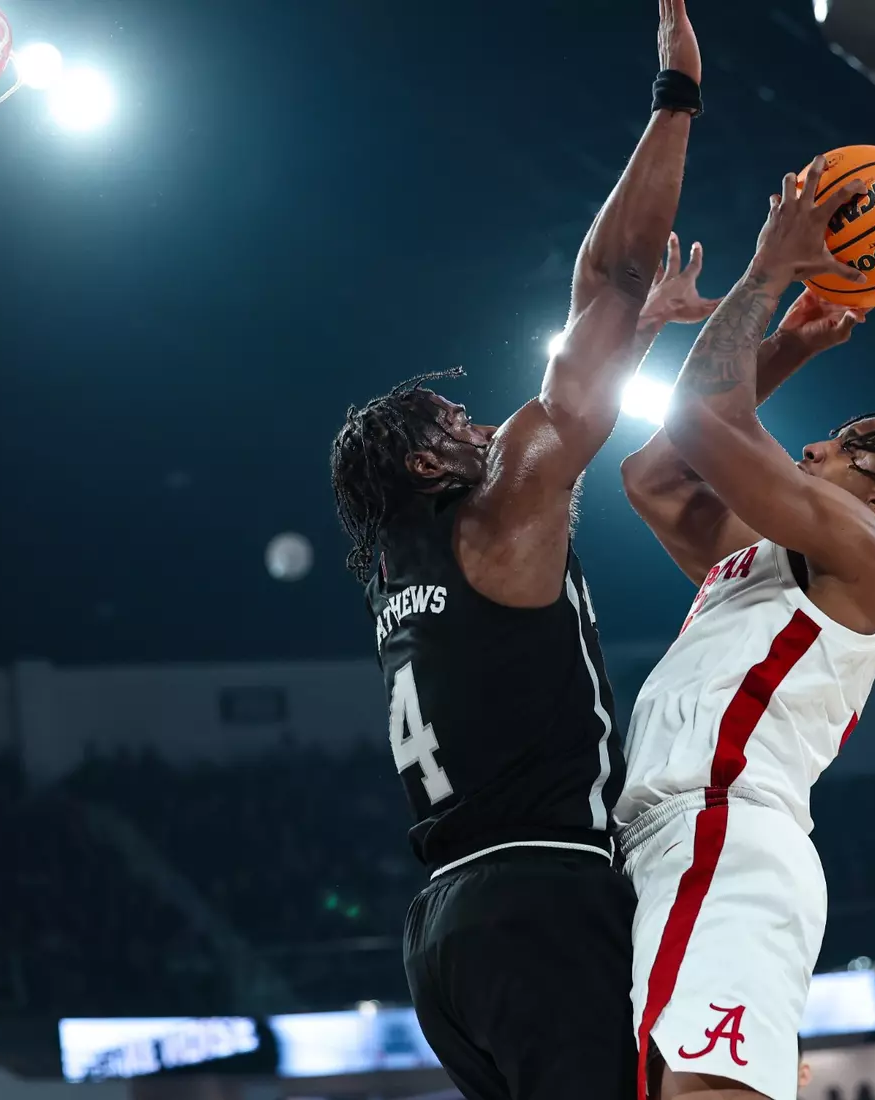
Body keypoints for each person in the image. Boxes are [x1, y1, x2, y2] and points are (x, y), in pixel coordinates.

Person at [327, 3, 711, 1098]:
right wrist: (675, 98)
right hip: (541, 893)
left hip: (445, 928)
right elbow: (607, 282)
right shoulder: (499, 508)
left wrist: (623, 345)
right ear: (422, 468)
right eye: (455, 428)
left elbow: (574, 378)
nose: (484, 425)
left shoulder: (405, 570)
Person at [617, 160, 875, 1100]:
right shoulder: (777, 561)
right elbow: (652, 479)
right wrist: (795, 345)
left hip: (728, 836)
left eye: (848, 450)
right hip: (670, 844)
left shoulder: (864, 555)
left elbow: (698, 418)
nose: (817, 446)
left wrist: (767, 273)